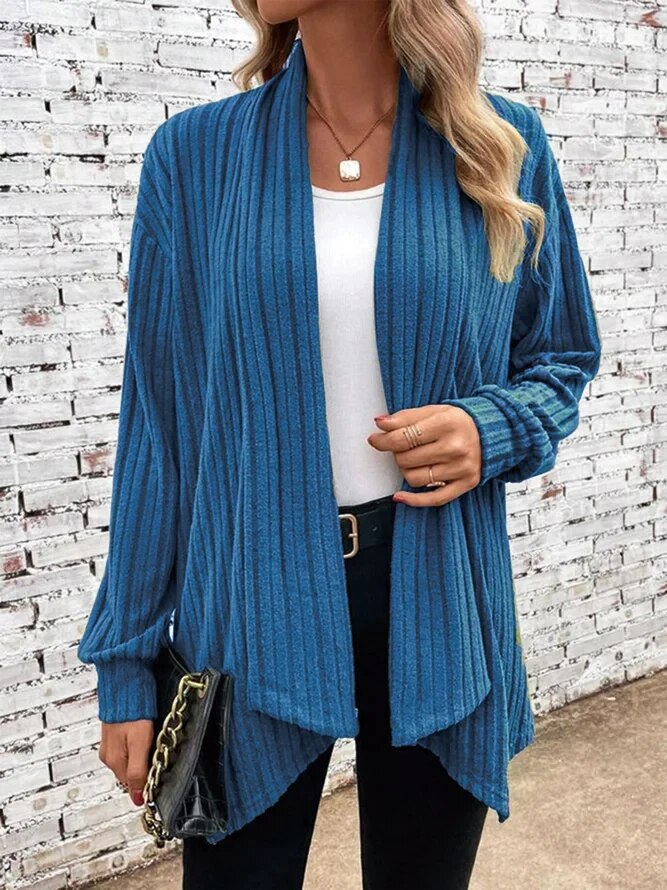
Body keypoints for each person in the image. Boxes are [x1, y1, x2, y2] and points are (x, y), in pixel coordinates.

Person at [77, 1, 603, 888]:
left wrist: (491, 428)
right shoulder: (194, 157)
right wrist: (125, 662)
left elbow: (560, 357)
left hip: (438, 597)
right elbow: (160, 429)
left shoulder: (497, 143)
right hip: (250, 602)